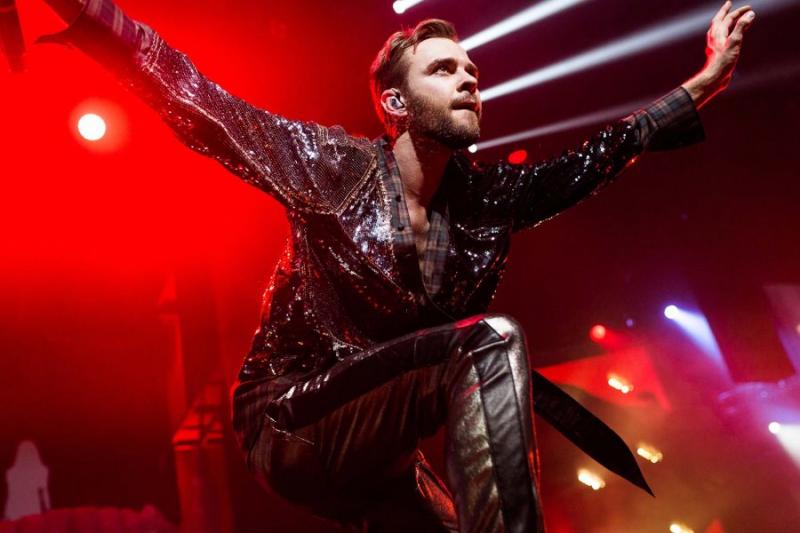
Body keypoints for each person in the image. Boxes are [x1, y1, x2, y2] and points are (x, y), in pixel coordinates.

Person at [36, 0, 755, 530]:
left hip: (383, 454)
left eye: (472, 71)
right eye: (444, 70)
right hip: (291, 418)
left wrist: (705, 82)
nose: (469, 81)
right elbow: (199, 99)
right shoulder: (333, 166)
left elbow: (599, 156)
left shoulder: (487, 200)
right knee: (489, 339)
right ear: (395, 102)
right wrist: (86, 11)